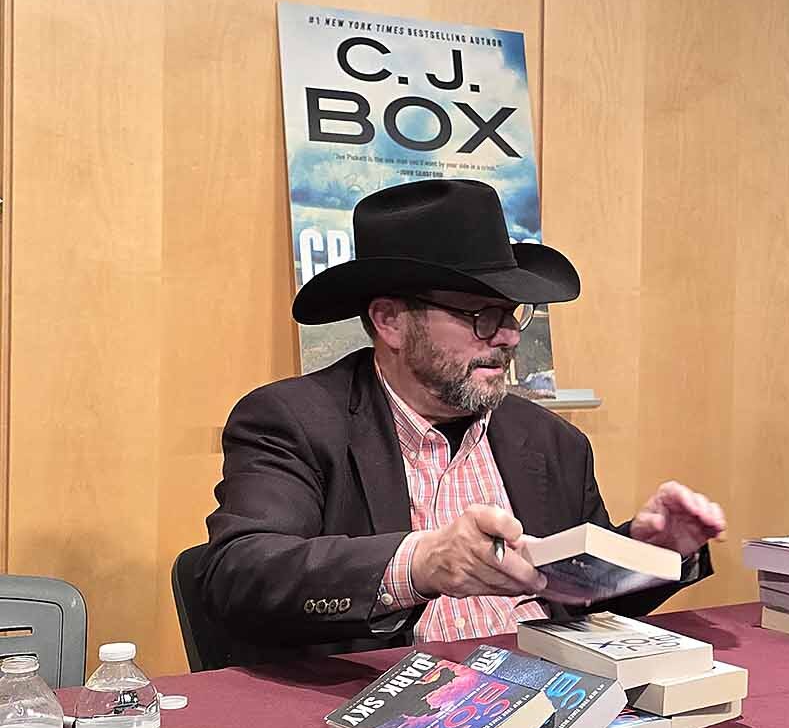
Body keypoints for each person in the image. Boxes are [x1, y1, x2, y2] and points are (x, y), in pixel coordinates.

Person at [201, 178, 725, 662]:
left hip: (548, 690)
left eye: (512, 314)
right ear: (390, 321)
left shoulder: (550, 440)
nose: (509, 336)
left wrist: (648, 555)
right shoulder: (293, 421)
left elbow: (579, 600)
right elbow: (241, 572)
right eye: (481, 315)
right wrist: (419, 564)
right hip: (388, 701)